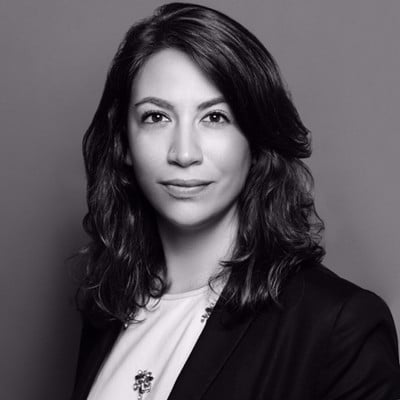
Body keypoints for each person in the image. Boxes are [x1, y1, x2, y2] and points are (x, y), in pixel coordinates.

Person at [71, 3, 400, 400]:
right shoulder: (110, 307)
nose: (184, 153)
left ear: (255, 142)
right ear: (123, 142)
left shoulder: (339, 326)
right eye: (156, 117)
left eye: (215, 117)